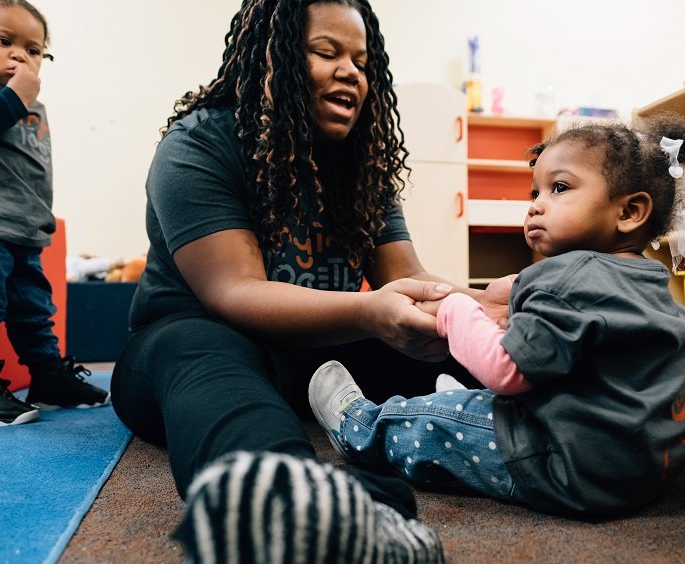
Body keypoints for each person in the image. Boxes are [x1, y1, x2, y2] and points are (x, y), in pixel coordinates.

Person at [110, 0, 505, 560]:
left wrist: (497, 307)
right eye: (327, 52)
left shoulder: (362, 164)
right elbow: (235, 293)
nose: (352, 72)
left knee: (463, 339)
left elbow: (409, 280)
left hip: (319, 354)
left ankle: (610, 414)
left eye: (362, 62)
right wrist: (369, 310)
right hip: (195, 348)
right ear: (275, 59)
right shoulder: (199, 144)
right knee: (199, 346)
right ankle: (288, 503)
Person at [308, 113, 685, 518]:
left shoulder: (567, 276)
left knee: (437, 421)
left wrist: (456, 308)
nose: (536, 206)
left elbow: (508, 371)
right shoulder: (650, 282)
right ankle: (474, 410)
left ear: (629, 212)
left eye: (559, 188)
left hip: (568, 467)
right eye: (534, 192)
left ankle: (361, 426)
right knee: (503, 395)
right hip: (644, 469)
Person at [0, 0, 110, 427]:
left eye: (33, 49)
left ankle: (48, 376)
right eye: (4, 42)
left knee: (33, 310)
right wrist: (14, 98)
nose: (20, 55)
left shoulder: (32, 108)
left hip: (23, 228)